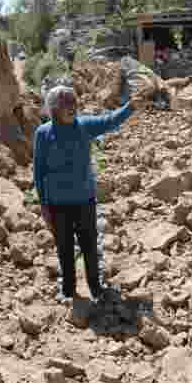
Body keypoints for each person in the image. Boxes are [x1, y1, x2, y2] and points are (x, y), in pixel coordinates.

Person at [33, 78, 158, 303]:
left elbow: (110, 121)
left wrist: (130, 107)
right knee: (64, 248)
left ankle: (95, 288)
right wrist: (44, 206)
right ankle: (69, 290)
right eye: (66, 105)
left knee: (89, 245)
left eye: (73, 104)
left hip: (84, 200)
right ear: (54, 110)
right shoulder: (43, 134)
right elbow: (39, 171)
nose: (71, 108)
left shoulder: (84, 126)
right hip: (57, 204)